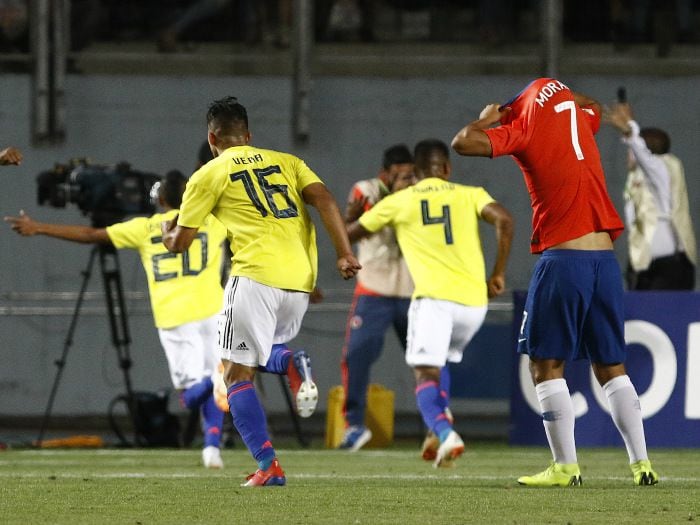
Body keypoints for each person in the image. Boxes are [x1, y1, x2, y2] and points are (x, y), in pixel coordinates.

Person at [451, 77, 659, 486]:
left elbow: (462, 143)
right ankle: (642, 464)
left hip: (565, 259)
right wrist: (560, 94)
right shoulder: (579, 118)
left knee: (545, 364)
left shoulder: (525, 125)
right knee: (611, 365)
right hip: (604, 260)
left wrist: (486, 120)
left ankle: (565, 466)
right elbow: (592, 105)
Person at [161, 96, 360, 487]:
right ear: (249, 135)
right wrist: (344, 253)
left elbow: (181, 244)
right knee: (251, 359)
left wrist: (169, 233)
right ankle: (288, 363)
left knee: (234, 374)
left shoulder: (207, 174)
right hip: (300, 280)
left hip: (254, 276)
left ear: (211, 136)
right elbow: (324, 199)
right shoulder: (289, 162)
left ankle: (269, 465)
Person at [4, 170, 229, 468]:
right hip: (213, 311)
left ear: (160, 199)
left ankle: (215, 392)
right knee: (217, 385)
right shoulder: (212, 222)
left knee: (190, 395)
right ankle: (212, 447)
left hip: (175, 317)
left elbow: (91, 235)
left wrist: (39, 227)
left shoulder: (146, 227)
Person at [347, 138, 513, 468]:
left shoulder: (402, 200)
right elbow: (505, 221)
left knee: (424, 374)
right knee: (441, 362)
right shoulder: (471, 194)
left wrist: (351, 217)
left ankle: (445, 432)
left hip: (434, 301)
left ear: (416, 172)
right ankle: (438, 429)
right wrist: (497, 274)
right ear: (447, 169)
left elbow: (351, 232)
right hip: (473, 305)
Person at [338, 144, 416, 451]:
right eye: (402, 175)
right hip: (374, 288)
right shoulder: (366, 190)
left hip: (413, 290)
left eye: (412, 174)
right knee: (356, 355)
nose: (410, 180)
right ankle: (354, 425)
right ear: (385, 174)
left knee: (428, 360)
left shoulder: (419, 193)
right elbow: (353, 230)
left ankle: (439, 426)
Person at [604, 102, 696, 291]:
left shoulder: (663, 168)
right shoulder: (639, 177)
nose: (628, 155)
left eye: (632, 151)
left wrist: (631, 130)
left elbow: (645, 157)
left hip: (668, 269)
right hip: (643, 264)